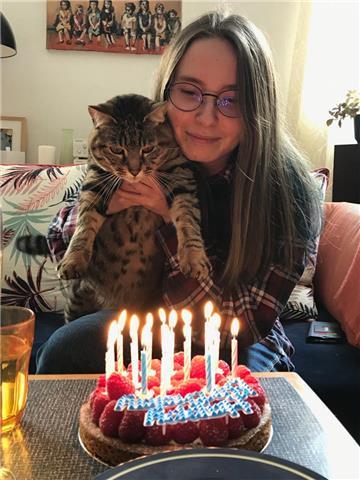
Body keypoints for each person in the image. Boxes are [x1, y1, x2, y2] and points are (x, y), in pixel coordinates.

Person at [36, 11, 322, 374]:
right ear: (165, 96)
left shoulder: (290, 192)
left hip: (234, 331)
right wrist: (106, 208)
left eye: (231, 100)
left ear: (257, 109)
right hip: (148, 311)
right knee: (67, 349)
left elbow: (245, 324)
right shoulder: (141, 153)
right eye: (189, 92)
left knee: (232, 374)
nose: (205, 117)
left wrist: (169, 218)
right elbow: (59, 242)